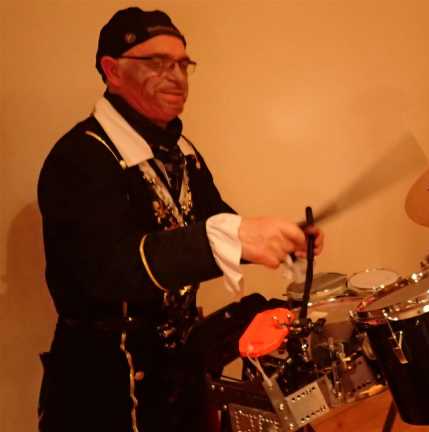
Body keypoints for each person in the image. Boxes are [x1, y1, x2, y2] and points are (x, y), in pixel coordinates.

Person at [36, 7, 324, 432]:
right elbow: (111, 271)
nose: (177, 77)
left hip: (178, 371)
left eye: (183, 64)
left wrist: (276, 239)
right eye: (158, 63)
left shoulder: (181, 150)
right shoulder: (79, 158)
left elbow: (213, 221)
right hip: (106, 382)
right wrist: (236, 237)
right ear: (112, 71)